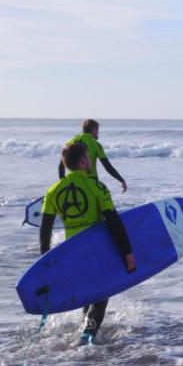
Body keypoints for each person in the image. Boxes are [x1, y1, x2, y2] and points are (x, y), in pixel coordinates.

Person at [39, 140, 136, 344]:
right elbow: (113, 221)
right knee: (101, 294)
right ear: (84, 160)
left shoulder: (53, 190)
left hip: (72, 252)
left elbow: (45, 229)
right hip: (97, 251)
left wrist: (44, 262)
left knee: (87, 293)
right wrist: (128, 253)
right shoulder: (96, 186)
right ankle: (87, 336)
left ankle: (86, 329)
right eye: (88, 158)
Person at [59, 119, 128, 193]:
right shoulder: (95, 144)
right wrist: (121, 180)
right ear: (93, 129)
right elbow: (107, 166)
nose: (98, 132)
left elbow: (61, 166)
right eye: (97, 129)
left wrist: (63, 182)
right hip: (90, 182)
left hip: (73, 182)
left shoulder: (70, 143)